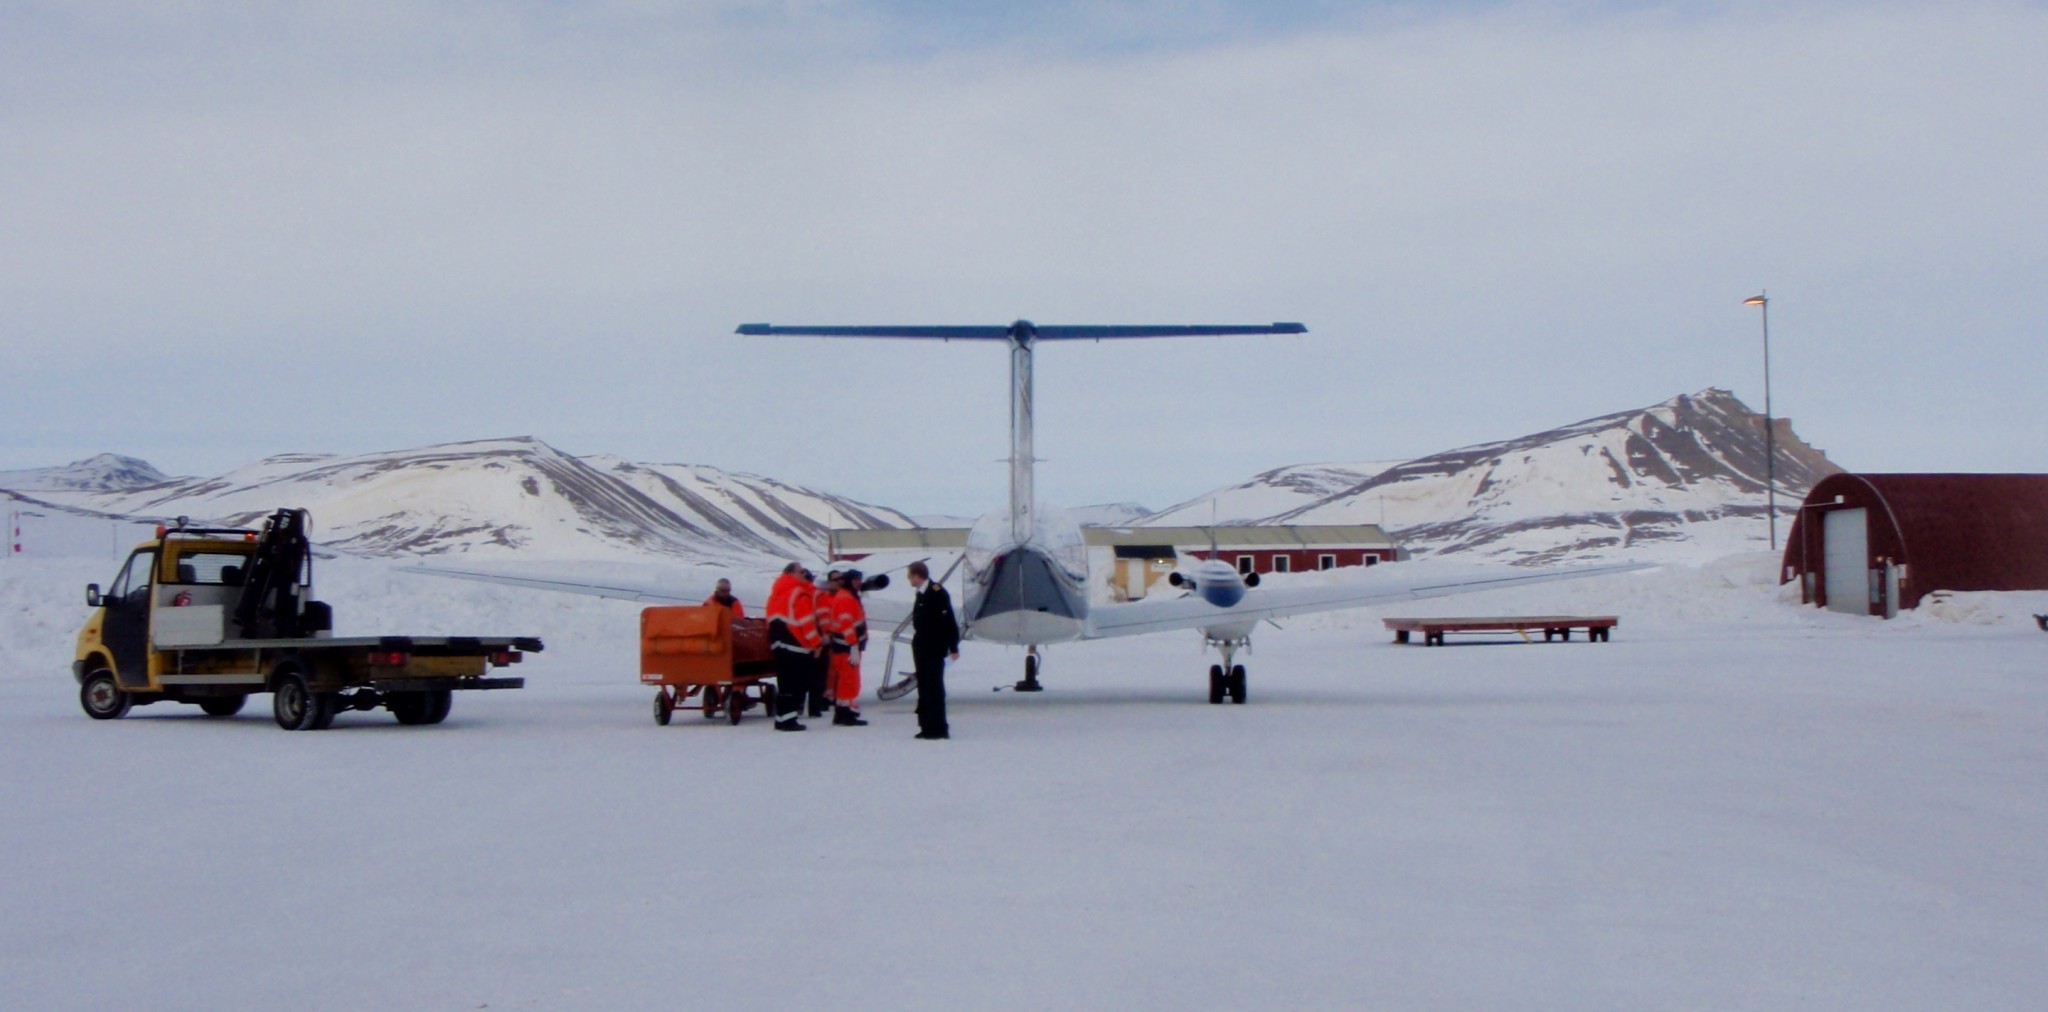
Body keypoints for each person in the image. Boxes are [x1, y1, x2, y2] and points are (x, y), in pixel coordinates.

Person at [764, 563, 823, 731]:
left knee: (785, 684)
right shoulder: (799, 593)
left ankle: (783, 718)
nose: (804, 573)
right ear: (791, 574)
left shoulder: (775, 595)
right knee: (797, 684)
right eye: (801, 571)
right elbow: (806, 622)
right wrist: (816, 643)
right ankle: (788, 720)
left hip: (778, 644)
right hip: (796, 645)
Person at [907, 560, 960, 740]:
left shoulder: (937, 592)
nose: (909, 580)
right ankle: (926, 725)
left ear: (917, 576)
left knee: (934, 686)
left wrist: (953, 646)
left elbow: (948, 620)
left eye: (909, 576)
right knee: (924, 685)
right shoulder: (921, 593)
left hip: (934, 645)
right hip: (922, 645)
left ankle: (938, 727)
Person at [826, 569, 870, 726]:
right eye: (856, 579)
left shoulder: (848, 596)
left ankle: (844, 712)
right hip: (846, 647)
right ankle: (845, 713)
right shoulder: (846, 598)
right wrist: (853, 644)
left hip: (846, 646)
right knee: (848, 680)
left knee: (848, 679)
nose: (859, 582)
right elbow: (846, 623)